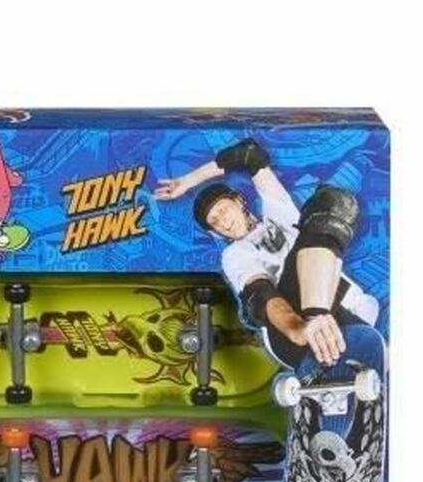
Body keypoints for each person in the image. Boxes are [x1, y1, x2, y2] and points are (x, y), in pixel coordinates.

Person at [154, 139, 381, 379]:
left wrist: (187, 181)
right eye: (214, 222)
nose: (222, 221)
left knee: (334, 201)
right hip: (291, 331)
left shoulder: (279, 213)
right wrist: (297, 328)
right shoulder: (234, 254)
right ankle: (316, 322)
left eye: (222, 210)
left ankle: (330, 337)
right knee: (281, 283)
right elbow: (260, 293)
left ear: (239, 201)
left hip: (351, 315)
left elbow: (250, 154)